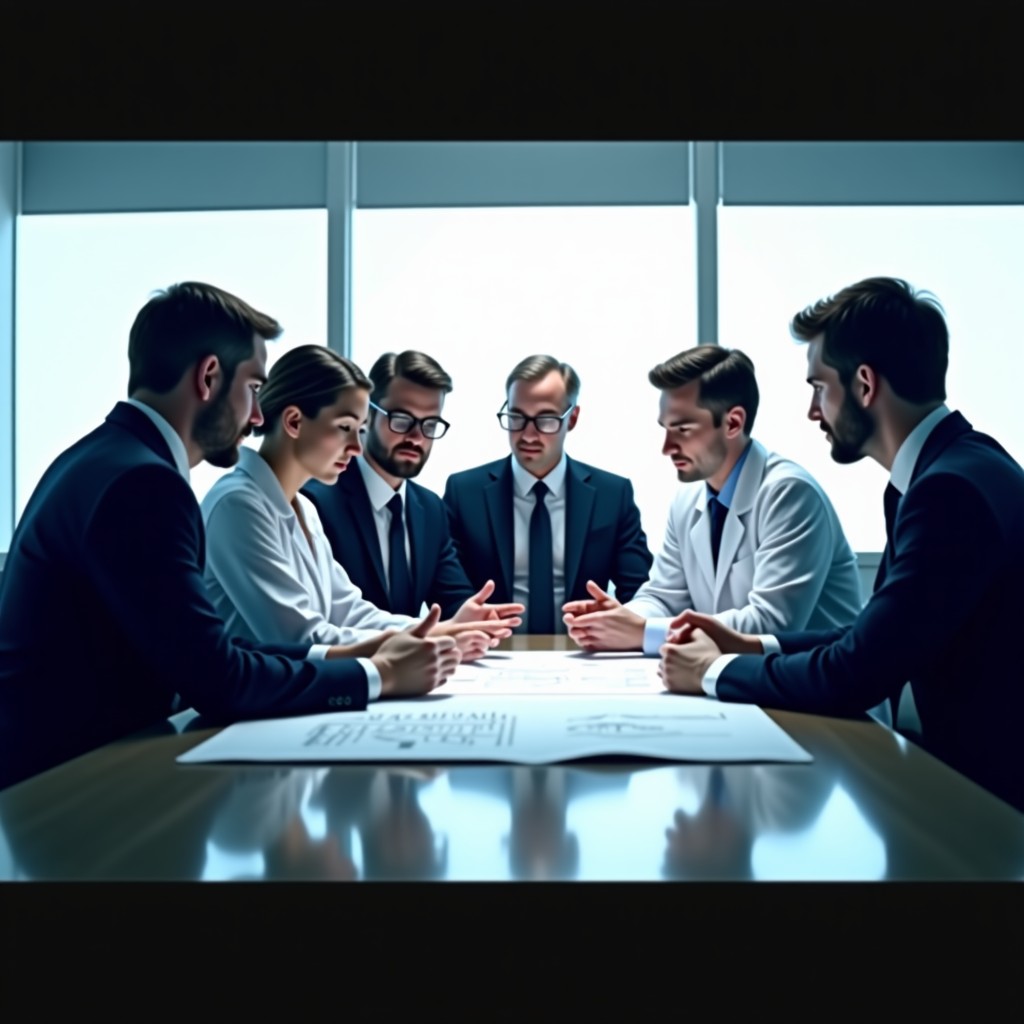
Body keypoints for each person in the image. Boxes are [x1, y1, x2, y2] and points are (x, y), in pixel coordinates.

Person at [0, 282, 458, 792]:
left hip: (77, 769)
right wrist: (378, 676)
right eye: (255, 389)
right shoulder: (145, 484)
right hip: (69, 792)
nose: (258, 416)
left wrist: (359, 654)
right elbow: (216, 677)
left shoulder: (106, 459)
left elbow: (207, 647)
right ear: (209, 377)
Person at [659, 277, 1024, 813]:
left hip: (988, 806)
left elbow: (859, 671)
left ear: (865, 385)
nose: (813, 411)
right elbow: (877, 629)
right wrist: (752, 646)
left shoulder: (948, 491)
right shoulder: (947, 470)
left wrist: (712, 672)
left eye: (819, 387)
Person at [200, 345, 519, 660]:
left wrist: (442, 630)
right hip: (245, 707)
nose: (355, 446)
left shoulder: (303, 509)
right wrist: (428, 643)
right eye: (345, 428)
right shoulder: (238, 505)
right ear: (295, 422)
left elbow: (349, 611)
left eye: (359, 430)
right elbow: (302, 639)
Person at [562, 345, 862, 653]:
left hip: (811, 692)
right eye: (665, 428)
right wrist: (618, 619)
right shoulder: (687, 498)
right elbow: (665, 596)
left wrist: (643, 633)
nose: (667, 447)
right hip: (737, 679)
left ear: (732, 423)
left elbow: (771, 625)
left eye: (683, 429)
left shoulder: (790, 494)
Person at [302, 350, 521, 627]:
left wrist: (477, 618)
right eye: (402, 419)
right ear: (367, 414)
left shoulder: (430, 509)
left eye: (430, 424)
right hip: (345, 666)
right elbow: (318, 622)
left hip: (413, 667)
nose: (417, 437)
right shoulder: (315, 501)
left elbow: (453, 603)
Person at [443, 354, 654, 633]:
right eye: (517, 417)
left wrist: (621, 625)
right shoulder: (464, 493)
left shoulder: (612, 496)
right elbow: (448, 593)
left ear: (573, 419)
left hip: (586, 656)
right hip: (490, 652)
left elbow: (639, 593)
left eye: (545, 420)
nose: (528, 435)